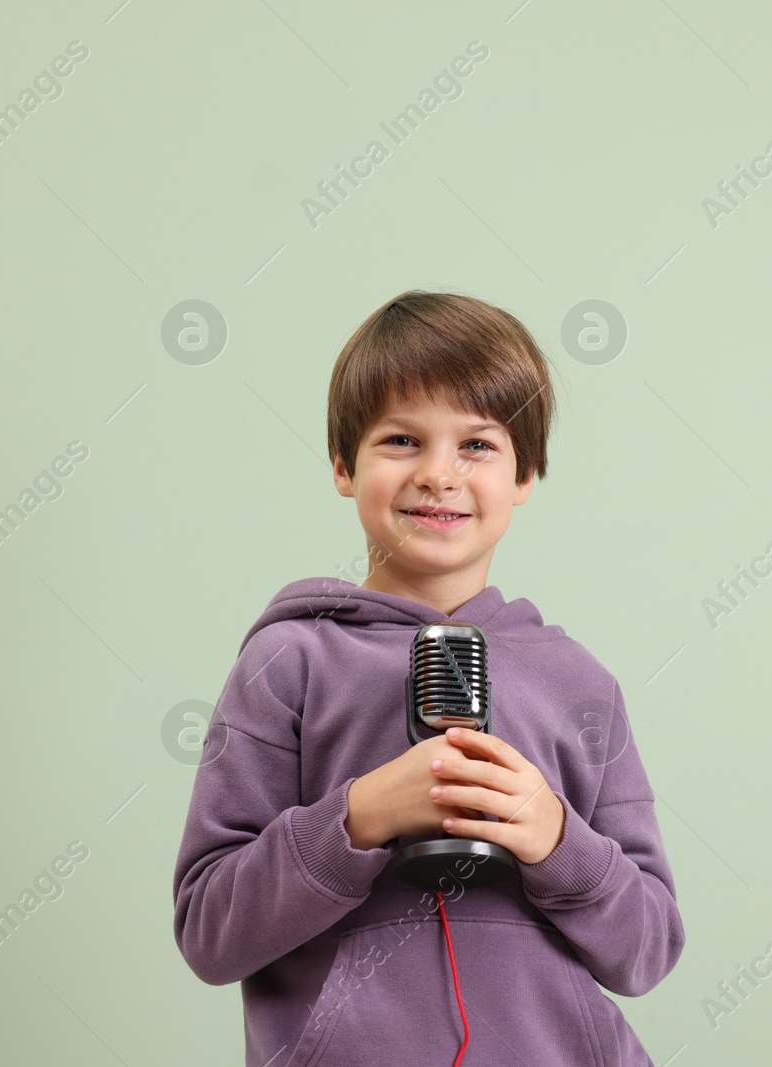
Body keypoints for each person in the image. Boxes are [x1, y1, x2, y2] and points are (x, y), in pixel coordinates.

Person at [173, 290, 685, 1066]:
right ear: (345, 466)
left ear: (526, 475)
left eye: (477, 445)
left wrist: (555, 837)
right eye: (403, 440)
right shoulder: (288, 664)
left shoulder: (581, 683)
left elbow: (646, 949)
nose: (438, 474)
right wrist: (358, 817)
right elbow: (211, 932)